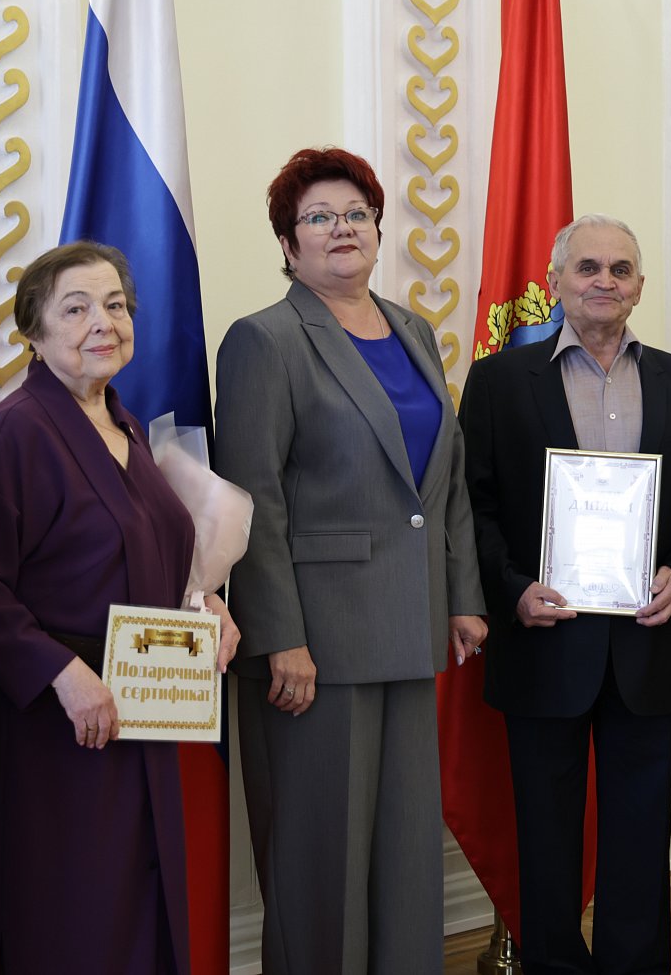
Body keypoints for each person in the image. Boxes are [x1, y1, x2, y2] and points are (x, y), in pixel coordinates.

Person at [215, 146, 488, 974]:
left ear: (377, 228)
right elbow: (253, 499)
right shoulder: (264, 340)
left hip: (410, 628)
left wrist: (463, 595)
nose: (342, 228)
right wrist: (280, 637)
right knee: (322, 863)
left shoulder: (412, 329)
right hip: (316, 649)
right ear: (288, 243)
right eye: (319, 217)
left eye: (357, 214)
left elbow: (445, 479)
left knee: (406, 861)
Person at [460, 214, 671, 975]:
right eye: (587, 267)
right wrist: (513, 590)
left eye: (620, 269)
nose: (604, 281)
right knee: (545, 842)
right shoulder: (499, 382)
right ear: (555, 281)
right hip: (541, 642)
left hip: (647, 643)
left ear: (640, 286)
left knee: (640, 842)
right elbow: (472, 507)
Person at [0, 240, 239, 974]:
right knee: (75, 918)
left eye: (115, 305)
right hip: (57, 731)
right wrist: (60, 674)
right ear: (33, 330)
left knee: (141, 908)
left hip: (142, 713)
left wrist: (204, 602)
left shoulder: (126, 427)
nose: (101, 323)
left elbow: (152, 555)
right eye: (76, 308)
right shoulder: (13, 434)